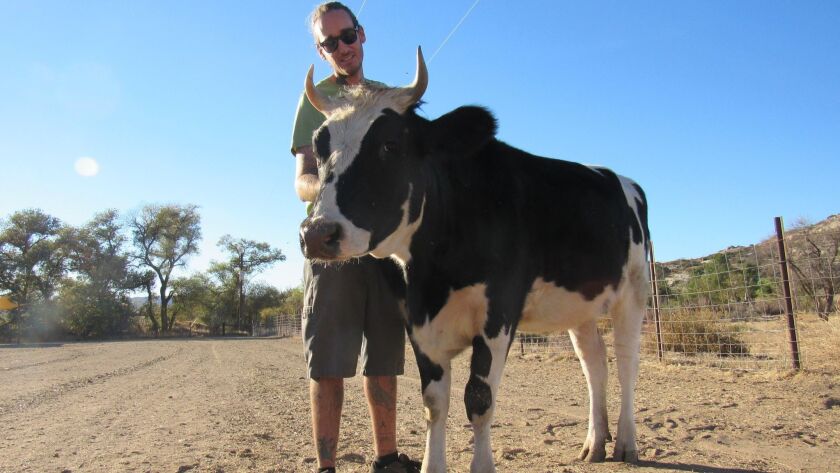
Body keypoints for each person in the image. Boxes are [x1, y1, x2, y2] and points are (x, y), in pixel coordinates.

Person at [289, 3, 421, 473]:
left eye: (348, 36)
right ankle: (327, 466)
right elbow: (303, 175)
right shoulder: (316, 99)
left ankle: (386, 459)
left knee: (385, 355)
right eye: (330, 42)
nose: (342, 48)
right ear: (320, 50)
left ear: (362, 35)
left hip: (383, 244)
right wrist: (328, 188)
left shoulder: (391, 98)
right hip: (329, 240)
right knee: (328, 358)